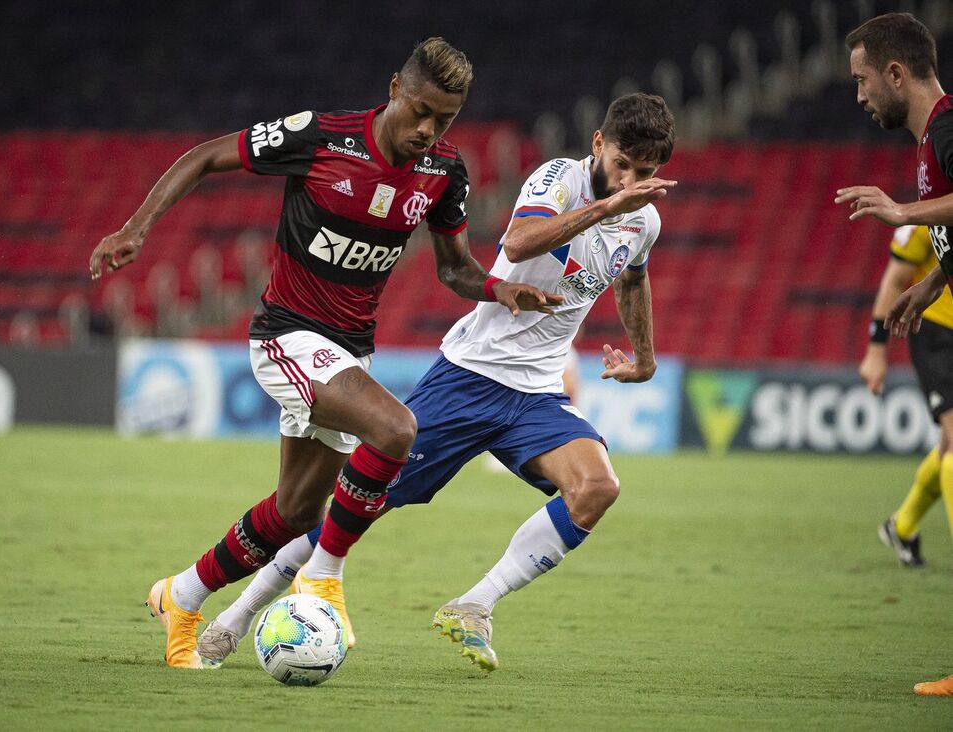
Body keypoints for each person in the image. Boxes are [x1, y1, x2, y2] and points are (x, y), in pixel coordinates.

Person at [89, 37, 564, 669]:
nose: (428, 129)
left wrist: (500, 288)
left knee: (295, 511)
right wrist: (136, 228)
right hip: (286, 335)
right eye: (419, 109)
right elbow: (207, 157)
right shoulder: (322, 137)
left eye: (443, 119)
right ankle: (324, 578)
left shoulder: (443, 173)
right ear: (394, 88)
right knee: (397, 428)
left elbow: (454, 270)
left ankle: (183, 594)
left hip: (348, 351)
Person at [196, 93, 677, 672]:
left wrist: (645, 357)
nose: (630, 179)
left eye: (644, 173)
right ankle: (239, 614)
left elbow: (632, 281)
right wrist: (608, 206)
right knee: (360, 507)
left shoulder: (644, 218)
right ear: (598, 145)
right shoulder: (557, 180)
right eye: (623, 164)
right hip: (470, 377)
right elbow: (519, 243)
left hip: (539, 391)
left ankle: (475, 604)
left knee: (597, 488)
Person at [835, 12, 953, 698]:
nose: (858, 95)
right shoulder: (930, 140)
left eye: (862, 80)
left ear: (895, 73)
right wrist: (934, 281)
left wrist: (907, 215)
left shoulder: (946, 129)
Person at [859, 225, 953, 568]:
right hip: (937, 331)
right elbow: (896, 279)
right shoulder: (923, 221)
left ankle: (902, 525)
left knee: (948, 444)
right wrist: (876, 350)